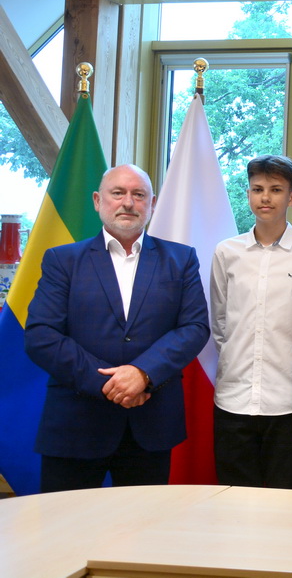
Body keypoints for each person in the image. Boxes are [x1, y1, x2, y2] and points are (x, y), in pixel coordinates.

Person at [24, 164, 209, 492]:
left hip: (150, 425)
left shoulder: (180, 259)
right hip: (75, 425)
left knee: (144, 523)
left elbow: (194, 327)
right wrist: (111, 385)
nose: (128, 202)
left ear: (152, 204)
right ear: (98, 201)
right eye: (118, 193)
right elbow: (41, 336)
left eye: (139, 195)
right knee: (65, 523)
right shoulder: (62, 260)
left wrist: (142, 374)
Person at [210, 155, 292, 489]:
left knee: (284, 497)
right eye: (257, 189)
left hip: (287, 402)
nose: (265, 197)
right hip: (234, 399)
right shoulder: (227, 252)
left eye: (275, 189)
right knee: (233, 495)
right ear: (248, 194)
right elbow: (220, 322)